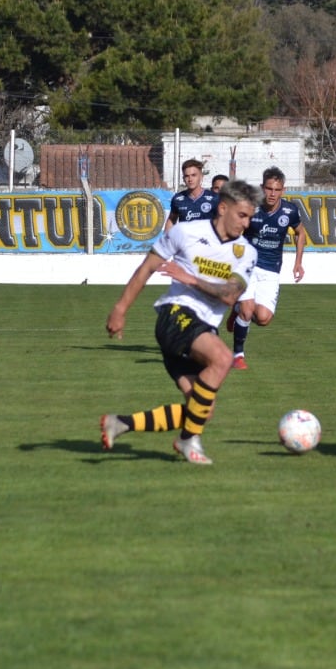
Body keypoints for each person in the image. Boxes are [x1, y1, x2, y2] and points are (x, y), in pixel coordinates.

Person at [102, 180, 261, 465]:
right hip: (175, 315)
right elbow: (147, 268)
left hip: (203, 328)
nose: (246, 223)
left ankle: (122, 423)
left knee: (202, 410)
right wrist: (120, 308)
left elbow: (230, 295)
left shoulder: (246, 252)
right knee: (224, 358)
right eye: (242, 215)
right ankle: (189, 441)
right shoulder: (185, 232)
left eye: (250, 217)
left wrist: (191, 279)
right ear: (223, 208)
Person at [226, 166, 306, 370]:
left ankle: (236, 309)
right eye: (269, 189)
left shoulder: (290, 211)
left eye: (277, 190)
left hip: (271, 270)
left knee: (263, 318)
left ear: (283, 190)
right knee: (248, 310)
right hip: (248, 266)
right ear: (262, 188)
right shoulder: (252, 207)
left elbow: (300, 233)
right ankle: (238, 354)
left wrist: (298, 263)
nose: (272, 194)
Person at [164, 159, 218, 232]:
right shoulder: (178, 199)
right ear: (183, 179)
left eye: (193, 175)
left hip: (206, 241)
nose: (190, 179)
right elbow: (171, 220)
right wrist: (166, 240)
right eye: (187, 176)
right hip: (185, 242)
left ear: (201, 177)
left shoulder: (214, 198)